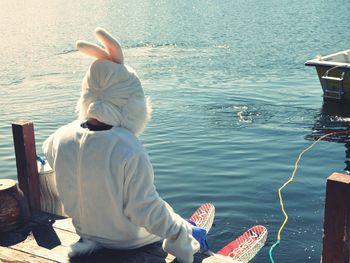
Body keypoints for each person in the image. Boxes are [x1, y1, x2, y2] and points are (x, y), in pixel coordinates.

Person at [42, 28, 203, 263]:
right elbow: (143, 209)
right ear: (130, 102)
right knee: (167, 214)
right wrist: (180, 232)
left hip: (87, 234)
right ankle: (187, 228)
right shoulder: (127, 148)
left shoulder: (59, 137)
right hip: (126, 241)